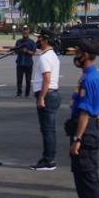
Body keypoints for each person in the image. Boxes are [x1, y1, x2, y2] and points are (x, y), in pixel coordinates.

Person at [67, 41, 99, 198]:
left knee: (87, 181)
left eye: (79, 53)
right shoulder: (91, 76)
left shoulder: (90, 78)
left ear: (87, 55)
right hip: (88, 129)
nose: (76, 56)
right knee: (88, 180)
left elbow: (85, 112)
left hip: (85, 132)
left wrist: (77, 139)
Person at [31, 28, 61, 171]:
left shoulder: (45, 57)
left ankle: (49, 160)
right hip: (52, 94)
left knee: (47, 130)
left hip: (47, 95)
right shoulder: (52, 55)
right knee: (49, 130)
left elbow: (47, 79)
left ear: (46, 40)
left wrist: (41, 97)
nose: (38, 40)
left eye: (40, 38)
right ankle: (48, 158)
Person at [14, 26, 37, 97]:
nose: (25, 34)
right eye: (24, 33)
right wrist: (18, 50)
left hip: (28, 63)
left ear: (28, 33)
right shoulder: (18, 41)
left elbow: (33, 52)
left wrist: (27, 51)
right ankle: (19, 92)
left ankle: (27, 93)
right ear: (22, 33)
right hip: (20, 63)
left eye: (26, 33)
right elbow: (15, 51)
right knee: (19, 79)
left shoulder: (31, 42)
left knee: (28, 79)